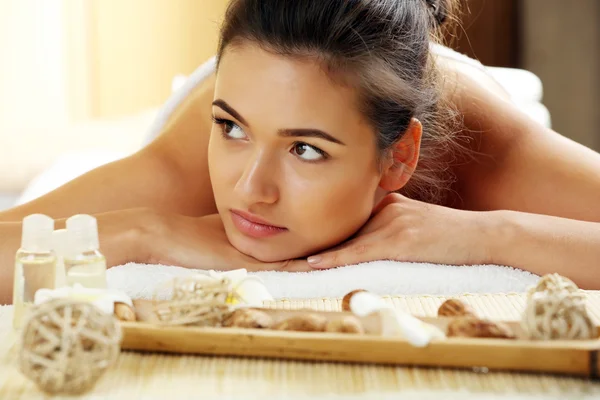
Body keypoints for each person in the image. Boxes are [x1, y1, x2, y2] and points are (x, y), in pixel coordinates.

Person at [1, 0, 600, 304]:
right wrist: (143, 233)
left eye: (306, 151)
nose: (250, 190)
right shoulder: (189, 159)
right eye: (231, 130)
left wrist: (490, 235)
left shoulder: (487, 150)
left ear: (398, 157)